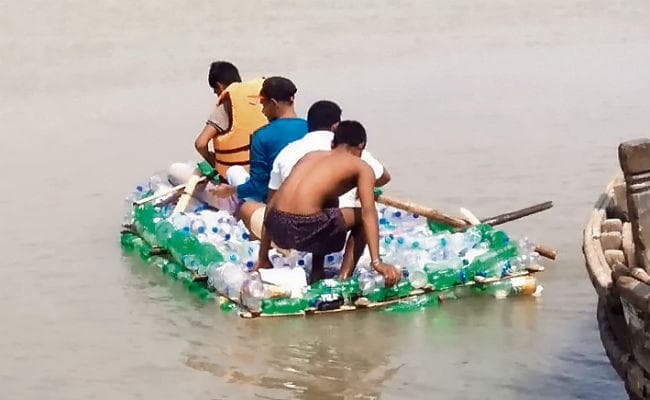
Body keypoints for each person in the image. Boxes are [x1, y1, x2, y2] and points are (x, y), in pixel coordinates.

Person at [255, 120, 402, 286]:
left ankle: (317, 273)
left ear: (333, 143)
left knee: (330, 202)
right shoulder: (362, 167)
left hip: (275, 225)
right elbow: (368, 213)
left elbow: (272, 204)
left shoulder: (310, 156)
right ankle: (343, 280)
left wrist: (263, 257)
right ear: (361, 146)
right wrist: (377, 262)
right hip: (304, 227)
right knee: (361, 218)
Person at [240, 100, 391, 239]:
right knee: (362, 212)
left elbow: (271, 203)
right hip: (332, 228)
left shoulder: (290, 151)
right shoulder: (354, 153)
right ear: (336, 126)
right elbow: (384, 177)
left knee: (246, 207)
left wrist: (263, 252)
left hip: (288, 232)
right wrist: (360, 185)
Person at [210, 76, 308, 203]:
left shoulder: (261, 136)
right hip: (308, 197)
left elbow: (258, 187)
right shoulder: (310, 128)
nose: (262, 110)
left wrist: (231, 190)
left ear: (273, 103)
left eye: (263, 104)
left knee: (234, 171)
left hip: (275, 203)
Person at [193, 61, 268, 178]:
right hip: (265, 172)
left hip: (238, 178)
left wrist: (213, 161)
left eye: (216, 92)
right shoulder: (263, 101)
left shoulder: (227, 106)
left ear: (219, 86)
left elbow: (200, 144)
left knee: (176, 171)